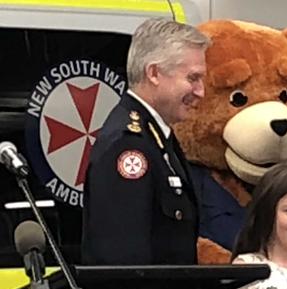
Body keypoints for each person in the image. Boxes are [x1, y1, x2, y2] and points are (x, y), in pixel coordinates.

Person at [82, 18, 210, 265]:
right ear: (154, 73)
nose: (201, 91)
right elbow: (126, 262)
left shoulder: (157, 137)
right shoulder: (129, 144)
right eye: (193, 78)